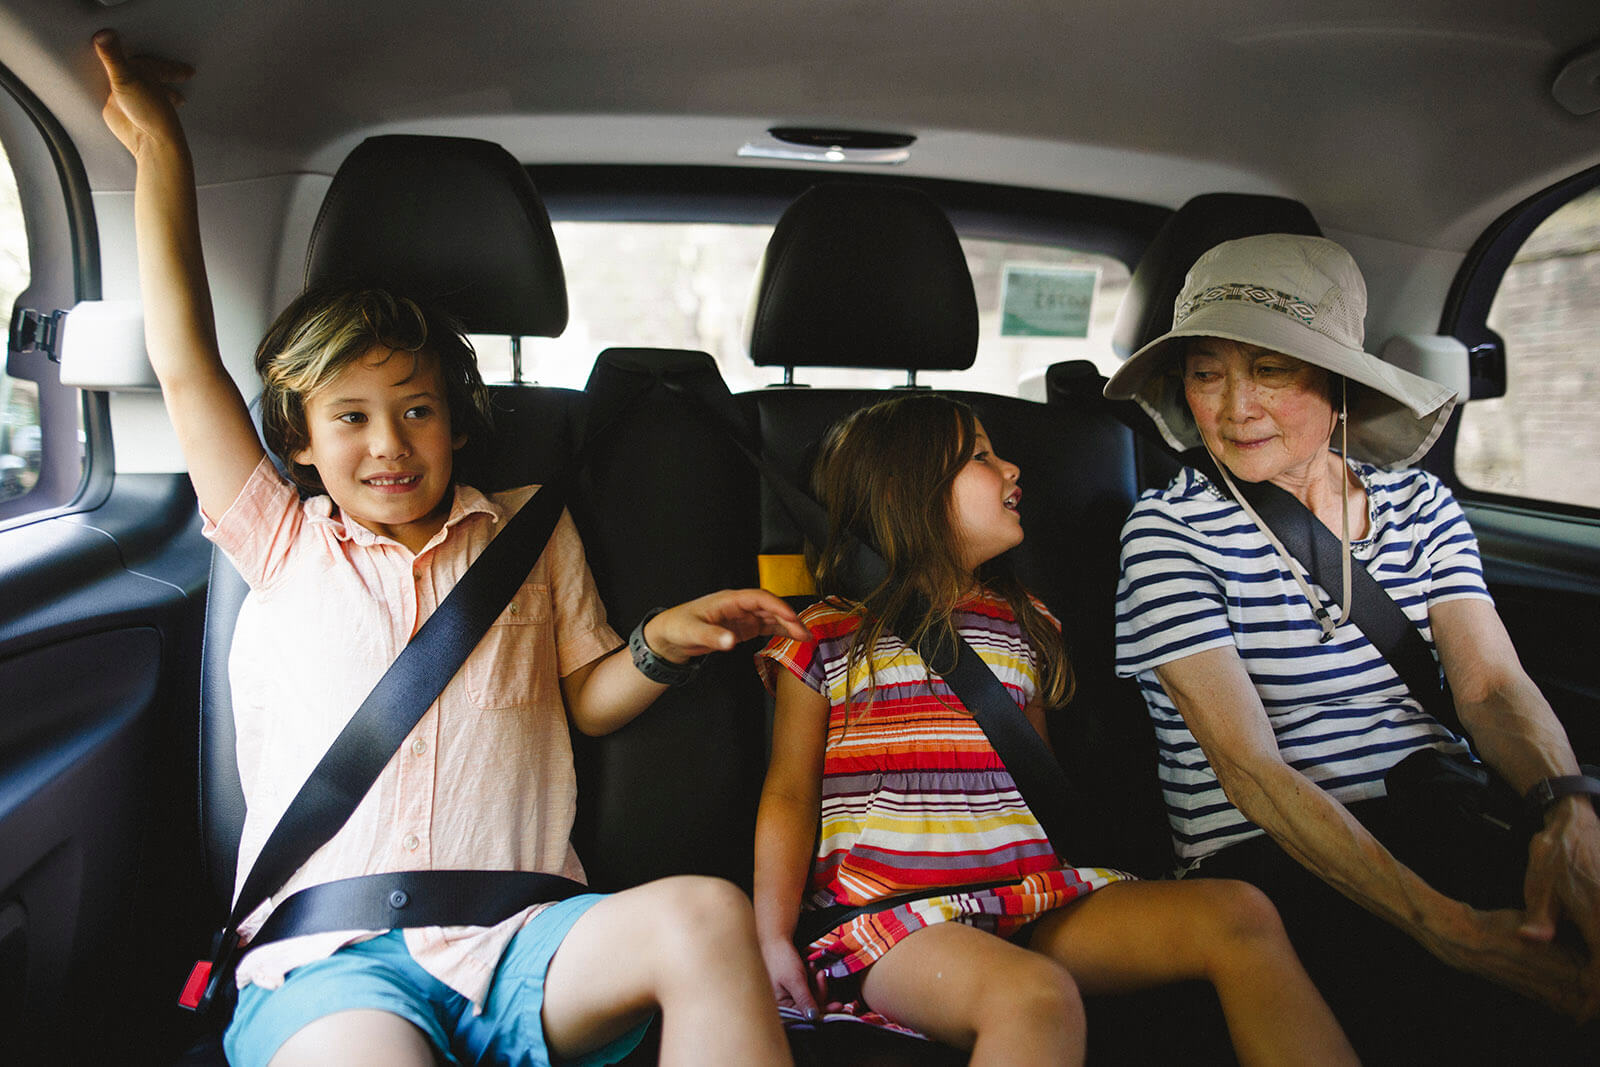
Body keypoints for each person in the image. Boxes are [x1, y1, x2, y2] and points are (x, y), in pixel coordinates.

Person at [93, 31, 806, 1067]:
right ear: (296, 436)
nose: (388, 441)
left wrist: (659, 640)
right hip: (332, 957)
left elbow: (583, 696)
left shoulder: (527, 525)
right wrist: (164, 155)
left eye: (418, 407)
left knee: (704, 914)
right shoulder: (280, 538)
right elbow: (184, 357)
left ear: (460, 421)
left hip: (526, 939)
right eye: (350, 416)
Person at [1106, 232, 1600, 1060]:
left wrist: (1566, 808)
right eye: (1205, 371)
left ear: (1336, 377)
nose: (1234, 407)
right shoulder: (1168, 531)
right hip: (1277, 853)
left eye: (1270, 368)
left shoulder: (1421, 507)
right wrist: (1450, 927)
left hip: (1443, 808)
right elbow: (1250, 768)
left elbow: (1487, 688)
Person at [752, 393, 1356, 1065]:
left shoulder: (1023, 622)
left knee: (1239, 913)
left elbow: (1037, 779)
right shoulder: (825, 634)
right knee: (1033, 995)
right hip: (898, 919)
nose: (1012, 468)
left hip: (1031, 895)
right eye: (980, 457)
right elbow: (791, 795)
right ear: (907, 489)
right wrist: (772, 935)